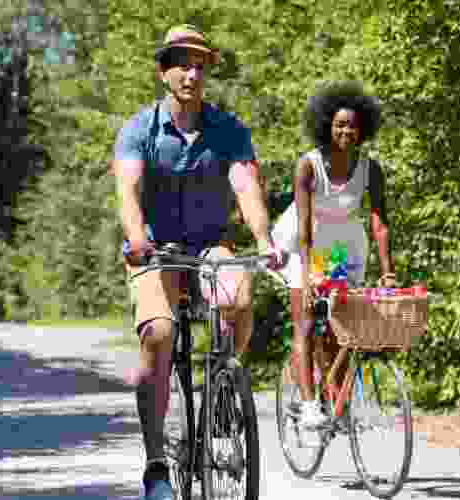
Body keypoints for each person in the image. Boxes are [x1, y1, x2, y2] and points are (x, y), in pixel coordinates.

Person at [111, 25, 282, 500]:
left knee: (238, 294)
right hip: (155, 248)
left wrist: (265, 240)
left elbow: (246, 186)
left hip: (209, 246)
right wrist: (135, 238)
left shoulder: (227, 129)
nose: (192, 72)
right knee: (160, 334)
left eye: (200, 64)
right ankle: (156, 466)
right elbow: (126, 191)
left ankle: (223, 392)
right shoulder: (139, 129)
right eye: (183, 62)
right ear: (164, 71)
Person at [272, 81, 396, 428]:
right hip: (305, 244)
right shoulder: (308, 166)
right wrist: (310, 273)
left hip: (345, 248)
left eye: (353, 125)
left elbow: (379, 222)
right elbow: (305, 223)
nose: (346, 130)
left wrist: (387, 271)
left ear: (363, 129)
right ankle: (310, 405)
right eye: (340, 124)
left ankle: (336, 398)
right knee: (307, 323)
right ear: (327, 125)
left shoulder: (370, 169)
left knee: (340, 331)